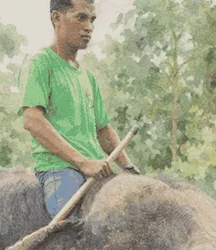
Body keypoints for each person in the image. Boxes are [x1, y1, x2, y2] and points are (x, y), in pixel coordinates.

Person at [20, 0, 138, 219]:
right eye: (81, 18)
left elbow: (103, 129)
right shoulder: (41, 63)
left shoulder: (87, 77)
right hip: (61, 170)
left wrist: (128, 167)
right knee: (71, 234)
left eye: (92, 20)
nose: (89, 27)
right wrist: (83, 163)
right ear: (57, 18)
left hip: (96, 168)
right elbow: (32, 120)